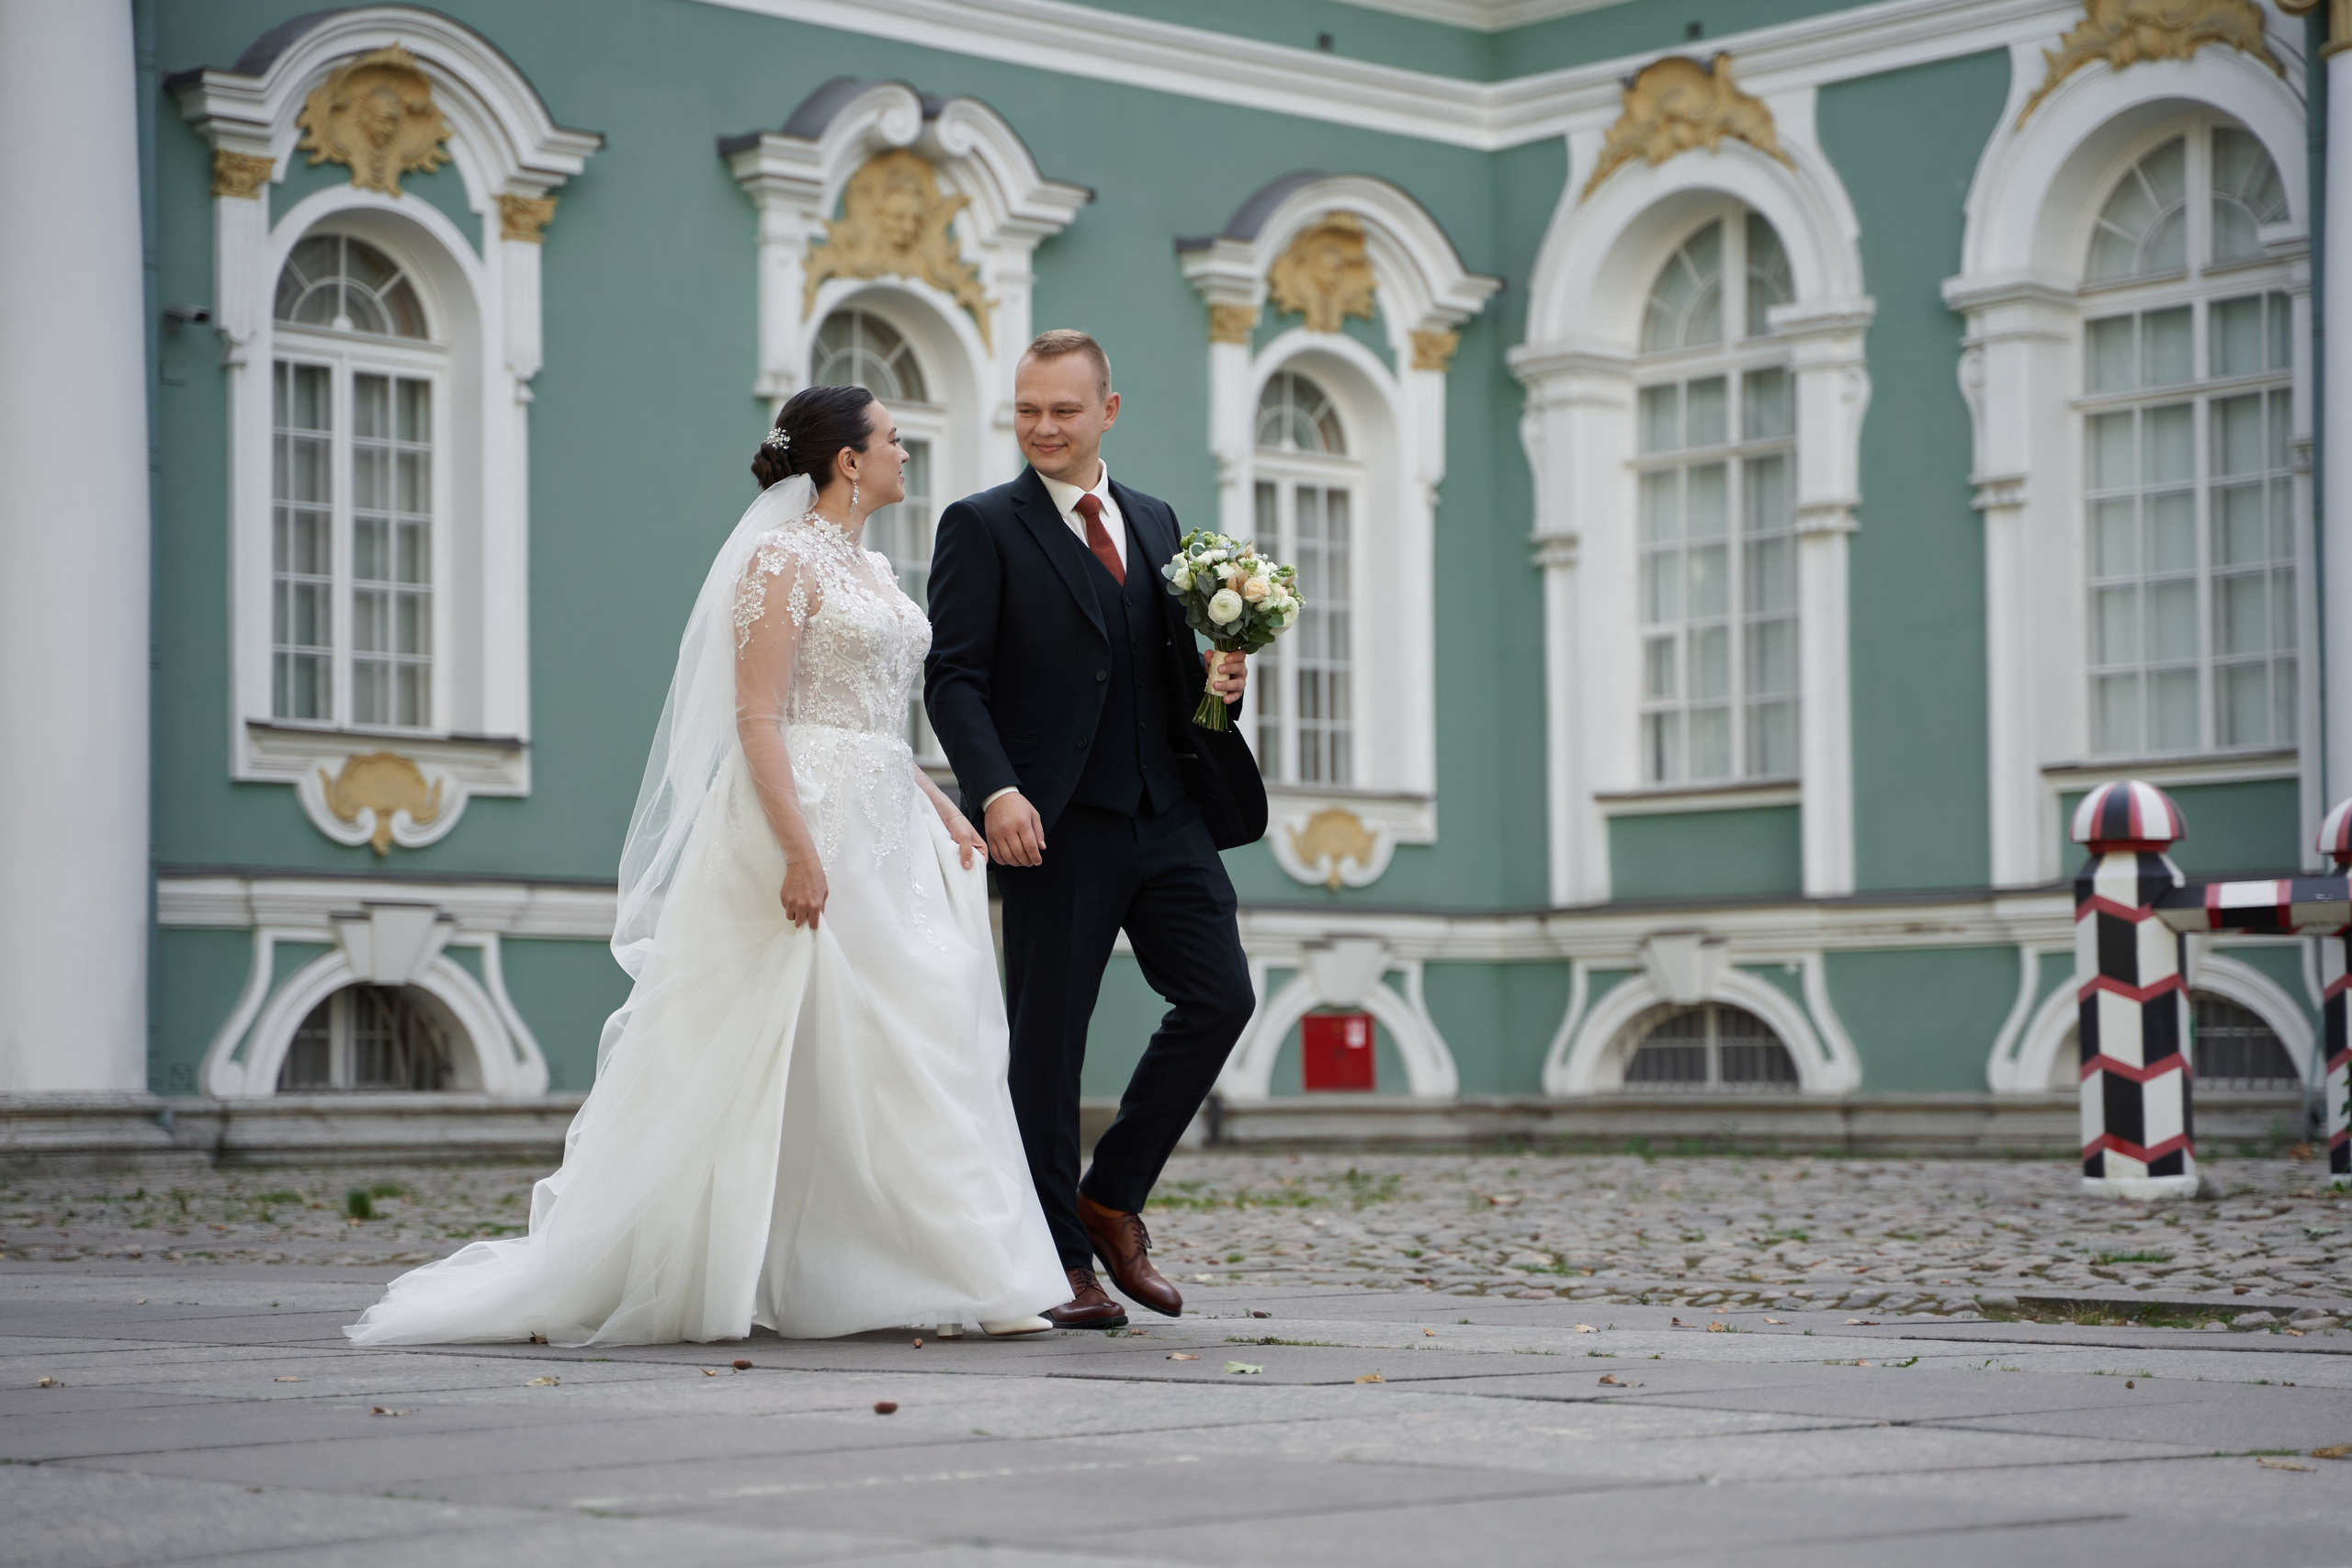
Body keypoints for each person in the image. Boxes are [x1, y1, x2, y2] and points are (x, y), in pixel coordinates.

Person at [345, 386, 1065, 1347]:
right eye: (892, 439)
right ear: (848, 461)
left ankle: (930, 1269)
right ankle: (758, 1264)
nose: (904, 452)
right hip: (801, 817)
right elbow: (759, 716)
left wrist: (942, 809)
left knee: (910, 1028)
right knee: (782, 1044)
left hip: (886, 819)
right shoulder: (780, 561)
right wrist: (800, 851)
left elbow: (877, 722)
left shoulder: (873, 564)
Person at [924, 330, 1266, 1330]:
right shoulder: (981, 525)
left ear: (1106, 412)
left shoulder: (1155, 520)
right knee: (1048, 1048)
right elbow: (955, 677)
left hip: (1168, 813)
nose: (1042, 427)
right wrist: (995, 791)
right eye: (1027, 409)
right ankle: (1060, 1263)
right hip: (1052, 826)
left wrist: (1218, 690)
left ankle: (1110, 1198)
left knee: (1219, 998)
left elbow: (1165, 677)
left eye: (1063, 410)